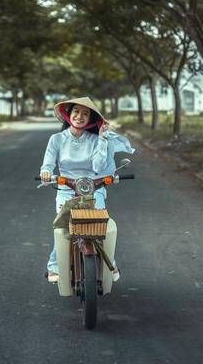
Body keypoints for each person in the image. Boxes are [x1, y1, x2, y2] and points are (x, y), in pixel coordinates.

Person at [39, 97, 135, 284]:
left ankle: (110, 263)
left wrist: (101, 139)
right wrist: (45, 172)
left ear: (90, 119)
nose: (80, 116)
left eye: (85, 113)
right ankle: (54, 266)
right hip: (66, 187)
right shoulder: (57, 139)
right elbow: (48, 163)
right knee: (65, 226)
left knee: (100, 226)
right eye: (76, 112)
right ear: (68, 114)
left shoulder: (94, 139)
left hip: (93, 188)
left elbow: (99, 167)